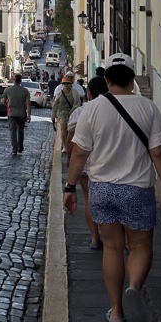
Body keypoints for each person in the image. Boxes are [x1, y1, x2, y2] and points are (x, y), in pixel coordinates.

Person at [63, 53, 161, 322]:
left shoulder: (91, 109)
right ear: (132, 78)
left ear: (106, 79)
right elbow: (159, 152)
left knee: (112, 248)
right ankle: (134, 286)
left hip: (102, 190)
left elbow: (79, 153)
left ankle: (116, 311)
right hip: (137, 189)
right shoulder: (148, 108)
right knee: (139, 246)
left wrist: (69, 187)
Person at [66, 76, 110, 249]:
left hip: (85, 163)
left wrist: (70, 159)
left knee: (88, 198)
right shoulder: (111, 110)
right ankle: (111, 235)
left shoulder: (79, 112)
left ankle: (94, 238)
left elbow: (70, 139)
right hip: (105, 160)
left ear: (89, 93)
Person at [4, 73, 31, 156]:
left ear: (13, 80)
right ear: (20, 81)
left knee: (13, 131)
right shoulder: (25, 91)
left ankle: (14, 149)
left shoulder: (8, 90)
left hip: (11, 113)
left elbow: (4, 101)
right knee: (21, 130)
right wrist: (29, 115)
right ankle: (20, 147)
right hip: (21, 114)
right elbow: (28, 104)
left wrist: (8, 104)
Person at [51, 76, 78, 153]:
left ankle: (70, 144)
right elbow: (55, 105)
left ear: (71, 84)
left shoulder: (75, 92)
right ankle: (65, 146)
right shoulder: (59, 93)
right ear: (62, 84)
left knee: (70, 130)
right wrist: (53, 116)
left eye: (68, 83)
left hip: (72, 112)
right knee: (63, 128)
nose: (66, 85)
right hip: (61, 112)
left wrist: (73, 108)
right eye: (65, 83)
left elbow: (78, 103)